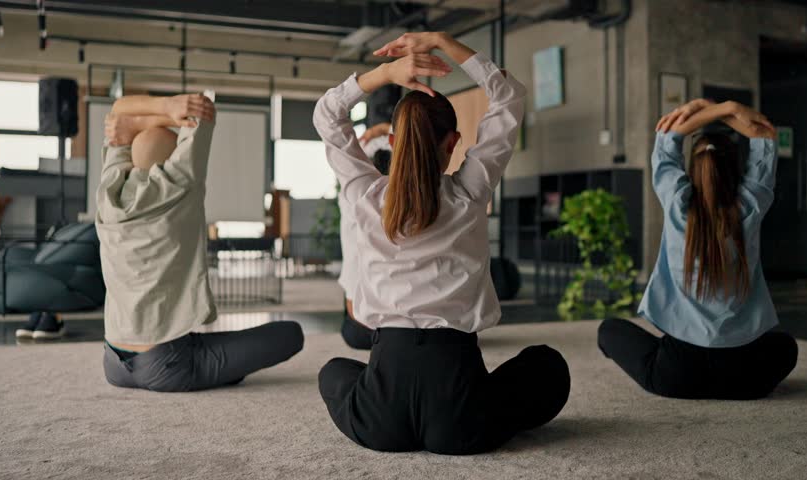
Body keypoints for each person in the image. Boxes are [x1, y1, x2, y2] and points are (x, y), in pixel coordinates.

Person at [314, 32, 570, 455]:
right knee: (548, 365)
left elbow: (328, 115)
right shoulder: (470, 194)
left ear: (392, 144)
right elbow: (506, 98)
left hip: (381, 416)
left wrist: (386, 74)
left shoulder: (364, 195)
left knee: (333, 372)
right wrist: (443, 43)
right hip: (462, 417)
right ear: (452, 144)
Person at [96, 94, 304, 392]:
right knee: (290, 334)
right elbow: (201, 111)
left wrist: (150, 118)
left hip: (113, 362)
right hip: (165, 364)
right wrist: (153, 119)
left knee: (213, 347)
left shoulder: (107, 195)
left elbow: (117, 114)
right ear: (173, 157)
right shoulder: (179, 184)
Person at [598, 98, 798, 400]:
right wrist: (731, 108)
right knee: (786, 347)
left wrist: (711, 109)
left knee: (608, 330)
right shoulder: (751, 206)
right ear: (735, 169)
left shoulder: (678, 204)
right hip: (743, 379)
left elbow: (668, 138)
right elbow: (765, 136)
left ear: (692, 169)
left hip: (676, 375)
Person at [338, 121, 392, 350]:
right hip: (416, 326)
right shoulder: (415, 202)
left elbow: (354, 157)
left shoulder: (353, 202)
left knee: (349, 329)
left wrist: (373, 132)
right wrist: (388, 129)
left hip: (363, 329)